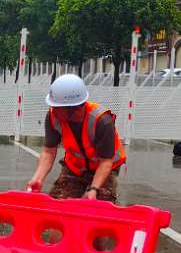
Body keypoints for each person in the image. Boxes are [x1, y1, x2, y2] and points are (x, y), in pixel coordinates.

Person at [27, 74, 127, 202]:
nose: (53, 110)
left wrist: (94, 189)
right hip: (75, 167)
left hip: (105, 168)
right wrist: (37, 179)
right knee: (60, 204)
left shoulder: (101, 121)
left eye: (58, 108)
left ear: (75, 109)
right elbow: (49, 152)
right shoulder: (53, 116)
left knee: (98, 208)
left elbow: (105, 162)